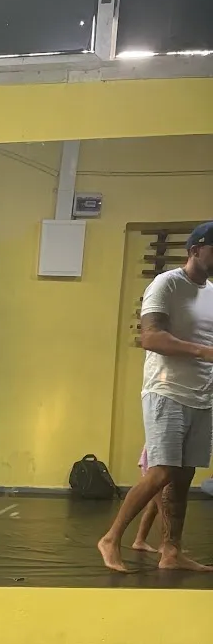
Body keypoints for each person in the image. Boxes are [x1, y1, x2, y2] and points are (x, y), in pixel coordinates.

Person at [98, 222, 213, 573]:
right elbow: (150, 337)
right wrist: (203, 352)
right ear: (195, 250)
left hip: (202, 396)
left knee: (183, 478)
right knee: (162, 471)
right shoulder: (166, 284)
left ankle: (171, 551)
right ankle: (111, 538)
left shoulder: (212, 292)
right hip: (166, 391)